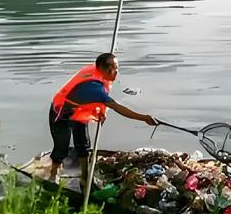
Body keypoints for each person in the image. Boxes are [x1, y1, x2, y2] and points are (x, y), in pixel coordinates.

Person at [45, 52, 156, 187]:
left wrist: (101, 111)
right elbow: (117, 107)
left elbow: (102, 99)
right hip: (61, 111)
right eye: (115, 69)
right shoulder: (92, 87)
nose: (117, 72)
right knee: (62, 145)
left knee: (83, 144)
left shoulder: (99, 74)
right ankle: (54, 172)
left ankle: (85, 178)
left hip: (80, 111)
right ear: (106, 69)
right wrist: (143, 118)